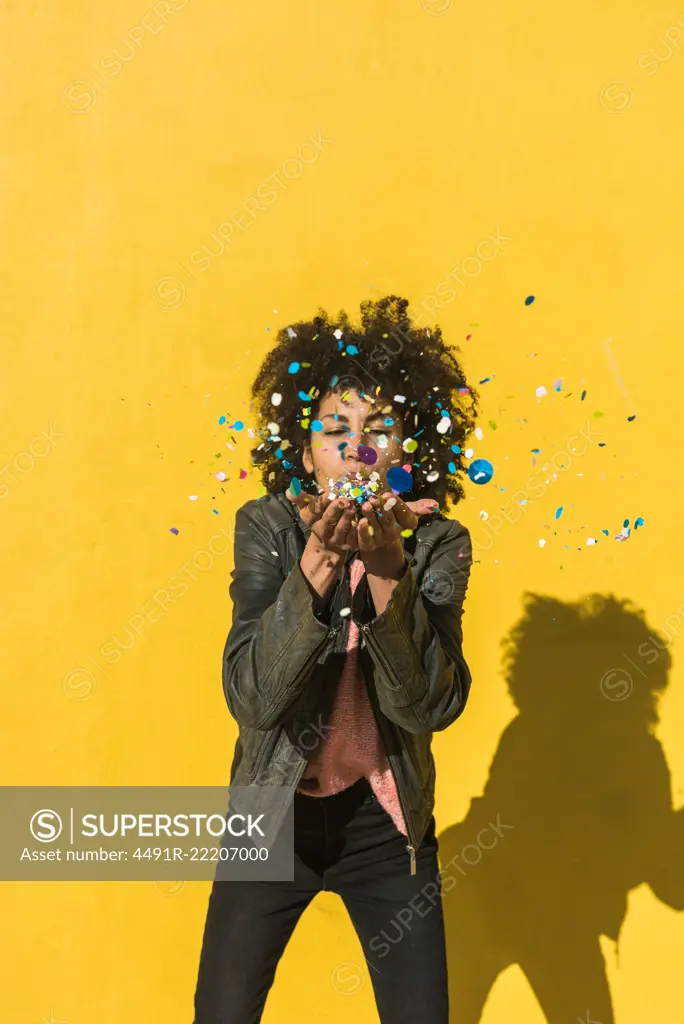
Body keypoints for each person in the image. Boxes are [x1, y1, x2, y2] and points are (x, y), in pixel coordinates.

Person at [193, 295, 478, 1023]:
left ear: (407, 447)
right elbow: (251, 698)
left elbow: (430, 707)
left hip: (385, 829)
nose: (357, 448)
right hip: (272, 819)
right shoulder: (267, 528)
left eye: (378, 429)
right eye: (336, 430)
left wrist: (387, 570)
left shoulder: (437, 544)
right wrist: (318, 564)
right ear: (304, 450)